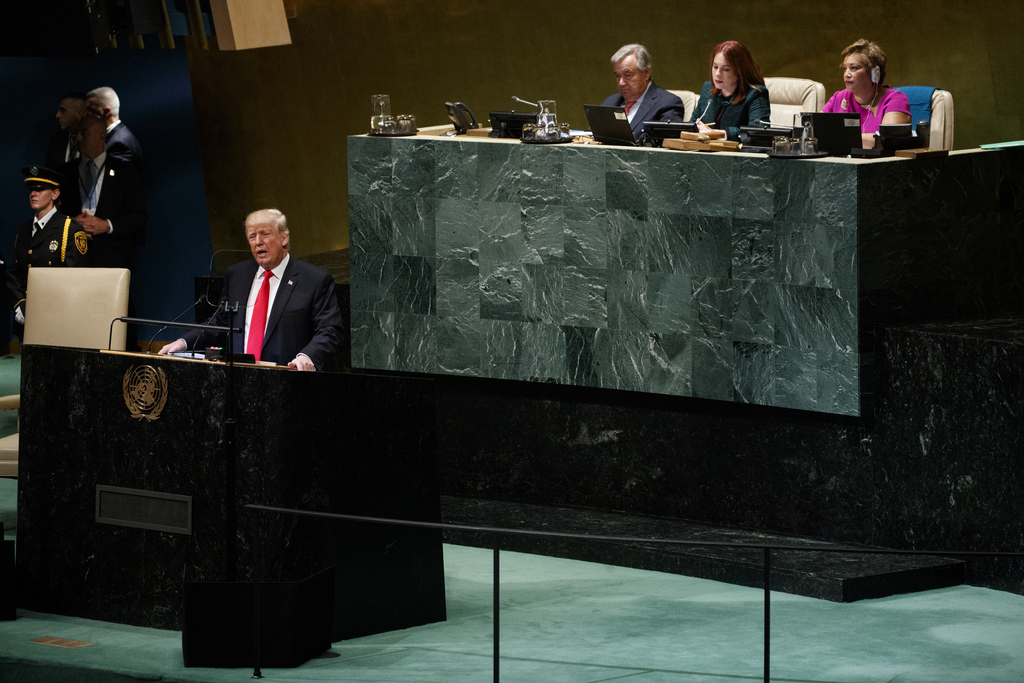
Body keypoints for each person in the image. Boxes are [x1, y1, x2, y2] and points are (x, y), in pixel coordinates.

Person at [158, 209, 343, 371]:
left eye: (265, 234)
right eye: (252, 236)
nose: (258, 242)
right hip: (238, 380)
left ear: (284, 238)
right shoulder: (237, 275)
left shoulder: (314, 279)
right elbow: (221, 323)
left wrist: (307, 356)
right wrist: (183, 343)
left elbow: (330, 330)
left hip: (286, 381)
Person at [59, 114, 147, 270]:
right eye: (75, 133)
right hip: (74, 259)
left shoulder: (124, 171)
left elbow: (139, 216)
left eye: (83, 133)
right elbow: (55, 215)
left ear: (101, 135)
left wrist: (107, 225)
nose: (78, 138)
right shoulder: (65, 173)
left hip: (113, 260)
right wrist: (71, 225)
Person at [6, 166, 89, 328]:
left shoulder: (69, 229)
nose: (33, 194)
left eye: (40, 189)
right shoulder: (25, 229)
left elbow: (74, 277)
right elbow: (13, 273)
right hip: (25, 315)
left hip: (56, 316)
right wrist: (20, 305)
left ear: (55, 194)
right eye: (31, 189)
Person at [822, 39, 911, 149]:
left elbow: (886, 142)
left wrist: (835, 138)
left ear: (874, 73)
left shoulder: (895, 100)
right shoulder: (839, 97)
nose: (847, 74)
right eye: (845, 68)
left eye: (854, 68)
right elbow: (815, 133)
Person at [689, 41, 770, 142]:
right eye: (715, 67)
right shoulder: (707, 90)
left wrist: (720, 134)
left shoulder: (755, 94)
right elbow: (692, 124)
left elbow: (758, 132)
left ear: (740, 71)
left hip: (737, 155)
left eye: (726, 69)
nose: (717, 74)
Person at [600, 44, 685, 138]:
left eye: (628, 75)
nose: (621, 83)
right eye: (617, 76)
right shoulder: (609, 102)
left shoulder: (668, 104)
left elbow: (665, 146)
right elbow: (590, 139)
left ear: (646, 73)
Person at [87, 86, 144, 174]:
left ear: (106, 112)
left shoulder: (119, 144)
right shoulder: (117, 137)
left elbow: (112, 182)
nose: (85, 116)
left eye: (90, 111)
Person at [44, 92, 87, 169]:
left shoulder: (98, 143)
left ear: (79, 114)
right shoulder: (56, 141)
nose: (57, 115)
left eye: (63, 110)